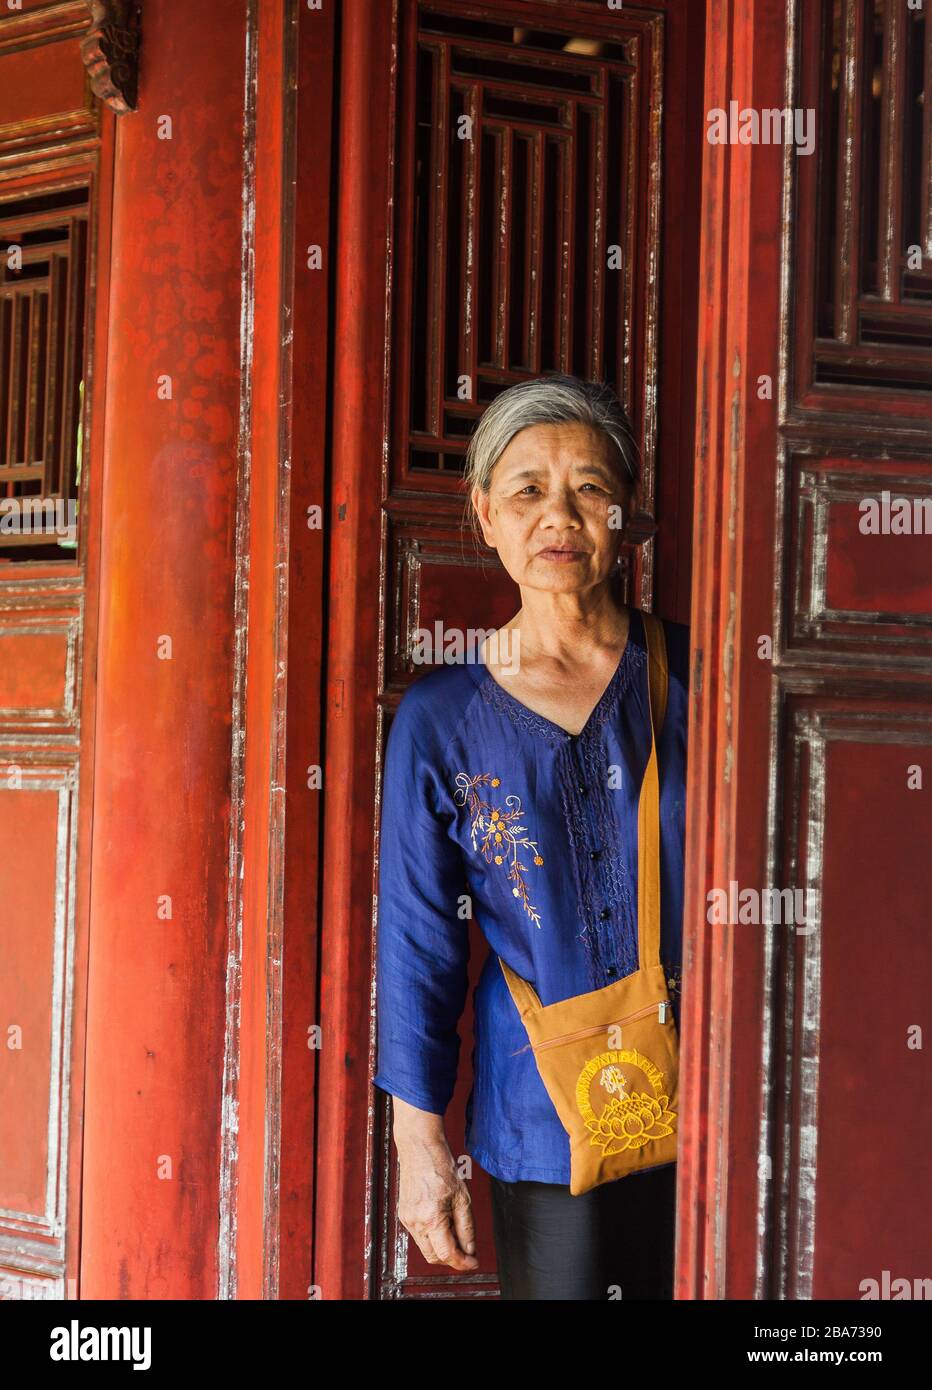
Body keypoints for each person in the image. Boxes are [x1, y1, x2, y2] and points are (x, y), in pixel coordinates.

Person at [373, 373, 688, 1300]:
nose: (560, 514)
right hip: (540, 1117)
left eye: (590, 487)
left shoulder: (699, 678)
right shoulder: (442, 718)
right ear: (485, 514)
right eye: (528, 490)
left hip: (711, 1098)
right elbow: (419, 942)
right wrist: (419, 1144)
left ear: (623, 512)